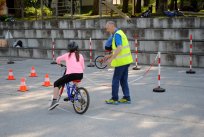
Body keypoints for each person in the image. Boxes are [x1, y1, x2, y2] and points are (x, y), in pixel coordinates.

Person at [48, 41, 85, 110]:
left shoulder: (67, 55)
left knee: (56, 83)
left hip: (71, 74)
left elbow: (58, 59)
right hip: (80, 74)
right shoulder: (80, 55)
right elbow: (83, 67)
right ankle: (80, 95)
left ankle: (54, 101)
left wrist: (59, 63)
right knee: (75, 81)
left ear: (69, 49)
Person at [104, 21, 133, 105]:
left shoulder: (116, 35)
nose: (107, 30)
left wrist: (111, 58)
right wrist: (108, 56)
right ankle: (127, 97)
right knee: (123, 80)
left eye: (108, 27)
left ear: (112, 26)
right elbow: (119, 50)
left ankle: (114, 98)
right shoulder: (120, 33)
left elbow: (119, 48)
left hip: (121, 62)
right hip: (126, 61)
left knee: (115, 80)